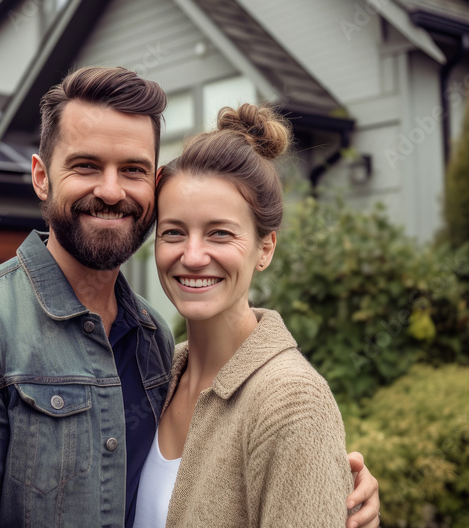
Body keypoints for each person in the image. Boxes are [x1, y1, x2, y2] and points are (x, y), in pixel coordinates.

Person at [0, 66, 380, 528]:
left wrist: (319, 475)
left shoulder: (150, 341)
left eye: (132, 169)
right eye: (86, 165)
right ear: (41, 176)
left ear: (151, 185)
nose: (111, 191)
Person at [134, 103, 361, 527]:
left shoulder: (291, 402)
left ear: (266, 248)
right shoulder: (154, 374)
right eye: (174, 232)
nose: (193, 256)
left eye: (220, 233)